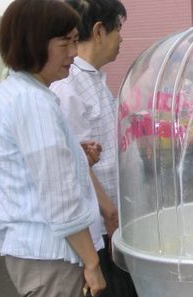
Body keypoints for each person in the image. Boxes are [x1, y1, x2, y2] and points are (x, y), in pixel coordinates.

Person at [0, 0, 106, 296]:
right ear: (33, 42)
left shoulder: (17, 90)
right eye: (65, 43)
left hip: (36, 249)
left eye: (76, 41)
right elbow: (59, 194)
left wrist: (74, 154)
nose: (74, 54)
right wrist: (92, 262)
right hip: (52, 253)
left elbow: (32, 168)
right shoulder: (33, 101)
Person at [48, 0, 137, 296]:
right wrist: (110, 214)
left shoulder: (95, 80)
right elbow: (73, 165)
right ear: (99, 31)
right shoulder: (67, 86)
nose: (122, 38)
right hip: (97, 230)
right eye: (119, 29)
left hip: (112, 222)